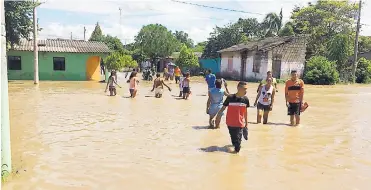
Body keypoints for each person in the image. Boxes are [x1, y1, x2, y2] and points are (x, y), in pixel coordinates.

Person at [214, 81, 250, 154]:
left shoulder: (246, 99)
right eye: (244, 89)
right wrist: (217, 118)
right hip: (230, 123)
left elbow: (245, 112)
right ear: (238, 88)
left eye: (246, 89)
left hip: (240, 124)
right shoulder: (230, 98)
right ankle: (233, 151)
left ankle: (236, 153)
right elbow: (222, 109)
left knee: (238, 145)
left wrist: (247, 123)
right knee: (233, 139)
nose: (246, 91)